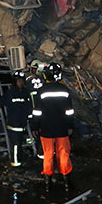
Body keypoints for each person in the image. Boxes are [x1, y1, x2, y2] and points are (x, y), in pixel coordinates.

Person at [30, 62, 74, 191]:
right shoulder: (65, 91)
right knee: (64, 154)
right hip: (62, 129)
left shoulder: (41, 91)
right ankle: (66, 181)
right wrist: (70, 126)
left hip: (46, 129)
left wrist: (34, 127)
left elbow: (37, 112)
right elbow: (69, 112)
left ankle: (48, 183)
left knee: (48, 155)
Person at [0, 70, 33, 167]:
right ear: (14, 82)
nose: (20, 83)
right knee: (16, 145)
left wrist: (32, 120)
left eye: (22, 81)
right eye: (19, 81)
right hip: (14, 125)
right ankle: (16, 165)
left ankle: (23, 159)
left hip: (23, 125)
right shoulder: (10, 93)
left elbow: (29, 107)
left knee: (22, 144)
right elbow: (1, 101)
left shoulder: (26, 93)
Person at [26, 60, 46, 160]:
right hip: (44, 112)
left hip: (34, 111)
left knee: (36, 132)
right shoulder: (45, 81)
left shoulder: (29, 80)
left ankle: (38, 151)